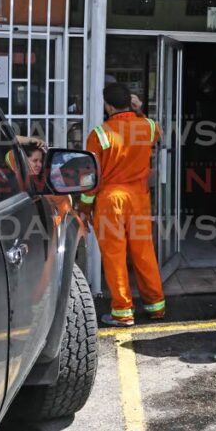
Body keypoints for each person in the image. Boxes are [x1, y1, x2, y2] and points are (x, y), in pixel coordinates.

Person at [81, 83, 166, 327]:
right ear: (131, 101)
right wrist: (139, 111)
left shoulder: (99, 134)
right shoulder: (148, 127)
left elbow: (90, 178)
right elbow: (157, 132)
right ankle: (156, 306)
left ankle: (123, 312)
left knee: (115, 256)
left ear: (107, 106)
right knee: (144, 251)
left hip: (110, 201)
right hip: (138, 200)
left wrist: (84, 209)